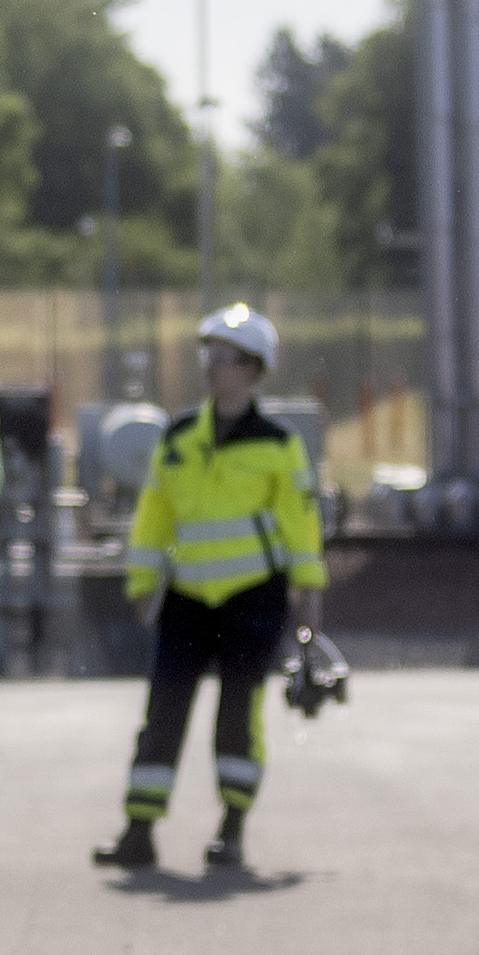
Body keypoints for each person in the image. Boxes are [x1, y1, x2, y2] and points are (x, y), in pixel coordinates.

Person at [102, 301, 332, 876]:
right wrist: (140, 580)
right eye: (209, 356)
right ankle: (139, 831)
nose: (213, 368)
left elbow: (300, 523)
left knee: (237, 715)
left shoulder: (278, 443)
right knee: (164, 712)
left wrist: (308, 590)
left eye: (227, 359)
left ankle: (231, 832)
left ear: (255, 370)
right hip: (186, 597)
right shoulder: (179, 436)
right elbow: (153, 516)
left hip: (253, 597)